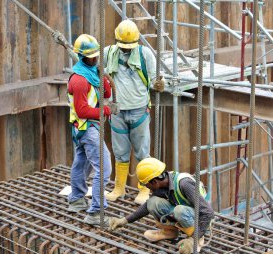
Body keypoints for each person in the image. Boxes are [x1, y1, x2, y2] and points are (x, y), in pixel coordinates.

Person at [104, 19, 165, 205]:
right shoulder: (108, 53)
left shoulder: (145, 54)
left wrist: (160, 85)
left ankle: (144, 189)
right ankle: (119, 187)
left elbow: (158, 80)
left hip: (139, 110)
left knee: (142, 152)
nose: (126, 50)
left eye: (129, 47)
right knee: (120, 151)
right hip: (117, 112)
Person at [108, 157, 215, 254]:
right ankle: (170, 232)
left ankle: (198, 240)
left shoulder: (184, 184)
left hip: (201, 222)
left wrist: (193, 239)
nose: (147, 188)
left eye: (146, 185)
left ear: (154, 181)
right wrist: (124, 220)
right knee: (153, 203)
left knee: (179, 210)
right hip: (186, 214)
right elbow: (146, 207)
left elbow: (208, 212)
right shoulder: (165, 183)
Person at [66, 34, 112, 225]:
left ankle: (76, 199)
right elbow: (82, 110)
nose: (95, 59)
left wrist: (104, 78)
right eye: (92, 57)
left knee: (81, 163)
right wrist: (106, 110)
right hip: (87, 127)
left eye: (96, 56)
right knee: (104, 168)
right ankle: (95, 212)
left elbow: (107, 93)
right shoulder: (79, 81)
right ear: (84, 57)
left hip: (85, 128)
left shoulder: (91, 73)